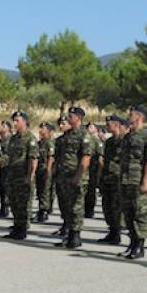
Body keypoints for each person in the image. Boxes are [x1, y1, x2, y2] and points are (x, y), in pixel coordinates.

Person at [118, 105, 147, 259]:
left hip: (137, 180)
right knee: (128, 213)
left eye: (131, 114)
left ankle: (139, 246)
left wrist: (145, 181)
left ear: (139, 117)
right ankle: (132, 243)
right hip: (125, 180)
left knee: (139, 213)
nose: (128, 116)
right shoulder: (128, 136)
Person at [54, 107, 93, 249]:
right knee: (66, 206)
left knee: (76, 206)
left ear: (78, 117)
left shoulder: (84, 135)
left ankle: (76, 236)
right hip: (64, 176)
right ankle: (69, 233)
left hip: (77, 177)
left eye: (71, 115)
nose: (68, 117)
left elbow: (86, 157)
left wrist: (78, 176)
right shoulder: (66, 135)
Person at [3, 111, 39, 240]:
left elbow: (33, 159)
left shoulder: (30, 138)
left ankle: (22, 229)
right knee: (14, 202)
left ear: (24, 121)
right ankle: (16, 227)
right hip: (13, 176)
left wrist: (29, 177)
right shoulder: (13, 138)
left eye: (17, 121)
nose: (14, 123)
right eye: (13, 120)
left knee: (23, 204)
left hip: (23, 176)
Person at [98, 115, 124, 245]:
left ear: (117, 124)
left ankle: (117, 233)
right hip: (107, 177)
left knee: (116, 206)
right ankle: (112, 231)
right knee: (107, 206)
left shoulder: (124, 141)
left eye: (109, 124)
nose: (107, 126)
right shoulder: (109, 142)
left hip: (117, 177)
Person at [34, 122, 55, 223]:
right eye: (40, 128)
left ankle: (44, 211)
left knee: (45, 191)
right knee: (40, 190)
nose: (40, 130)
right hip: (39, 169)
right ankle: (41, 209)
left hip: (46, 169)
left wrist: (48, 169)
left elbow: (51, 156)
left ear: (48, 131)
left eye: (43, 128)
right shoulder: (40, 143)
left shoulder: (49, 142)